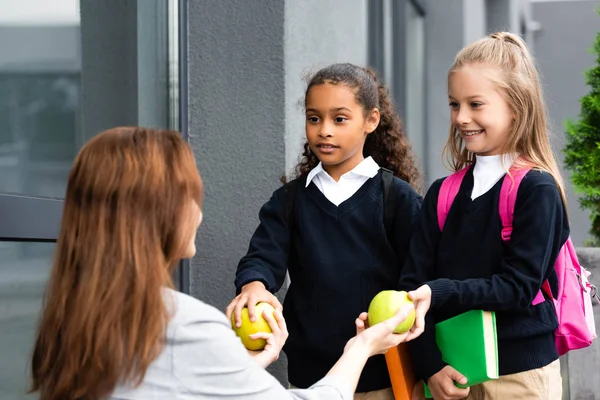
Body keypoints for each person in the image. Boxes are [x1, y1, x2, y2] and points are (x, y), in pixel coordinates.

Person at [29, 127, 420, 400]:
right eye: (192, 196)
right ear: (162, 214)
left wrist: (244, 368)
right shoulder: (182, 325)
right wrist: (362, 346)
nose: (199, 212)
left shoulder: (70, 322)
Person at [227, 63, 423, 399]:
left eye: (339, 119)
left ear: (371, 121)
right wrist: (254, 286)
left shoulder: (397, 199)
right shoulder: (290, 201)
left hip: (383, 379)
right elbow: (263, 254)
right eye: (314, 118)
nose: (324, 130)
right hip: (308, 381)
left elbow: (419, 281)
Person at [402, 32, 566, 400]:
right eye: (453, 104)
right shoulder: (442, 194)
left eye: (476, 104)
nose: (461, 118)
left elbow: (518, 287)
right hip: (450, 375)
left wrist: (438, 290)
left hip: (519, 377)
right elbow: (412, 286)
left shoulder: (536, 189)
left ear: (516, 107)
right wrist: (430, 367)